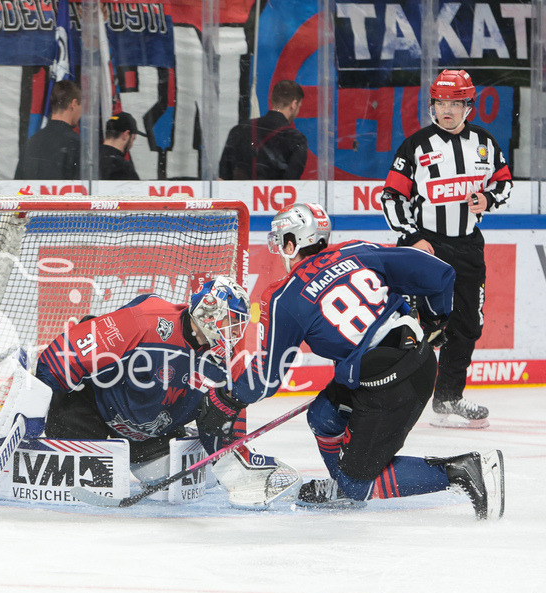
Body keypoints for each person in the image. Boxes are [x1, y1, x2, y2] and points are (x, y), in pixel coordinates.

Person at [196, 203, 504, 520]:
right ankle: (342, 488)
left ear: (291, 243)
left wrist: (228, 398)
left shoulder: (284, 297)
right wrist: (435, 319)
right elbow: (441, 272)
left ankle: (464, 471)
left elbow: (266, 380)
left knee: (358, 483)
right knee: (323, 416)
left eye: (280, 240)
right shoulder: (355, 251)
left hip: (390, 384)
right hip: (408, 362)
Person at [33, 277, 299, 508]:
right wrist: (31, 419)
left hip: (150, 434)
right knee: (86, 484)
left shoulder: (225, 358)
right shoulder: (145, 320)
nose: (235, 331)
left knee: (193, 484)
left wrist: (233, 461)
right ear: (208, 312)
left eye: (239, 323)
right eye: (231, 320)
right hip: (92, 410)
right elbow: (58, 358)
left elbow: (227, 416)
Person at [381, 69, 512, 429]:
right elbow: (391, 196)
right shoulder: (416, 145)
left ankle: (448, 397)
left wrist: (487, 198)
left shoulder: (484, 142)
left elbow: (503, 182)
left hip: (468, 247)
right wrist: (412, 238)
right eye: (440, 103)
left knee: (467, 325)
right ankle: (389, 397)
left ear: (469, 105)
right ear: (432, 105)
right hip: (427, 247)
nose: (447, 110)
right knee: (415, 325)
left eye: (455, 103)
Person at [218, 80, 308, 180]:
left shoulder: (238, 130)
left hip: (239, 190)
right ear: (294, 104)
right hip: (274, 190)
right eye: (299, 106)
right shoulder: (296, 139)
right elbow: (291, 183)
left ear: (273, 100)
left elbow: (222, 179)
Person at [15, 80, 82, 180]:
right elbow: (84, 187)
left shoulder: (31, 143)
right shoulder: (76, 144)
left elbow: (18, 186)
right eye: (81, 106)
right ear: (74, 104)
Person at [99, 112, 144, 180]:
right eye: (133, 139)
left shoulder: (89, 158)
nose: (132, 144)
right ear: (126, 135)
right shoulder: (123, 167)